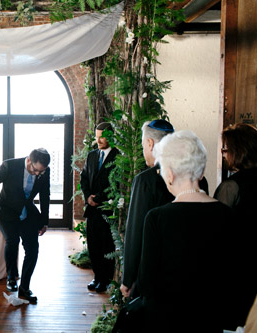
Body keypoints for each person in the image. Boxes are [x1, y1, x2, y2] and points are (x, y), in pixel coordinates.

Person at [138, 130, 233, 333]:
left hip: (167, 320)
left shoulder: (157, 218)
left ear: (169, 174)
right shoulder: (227, 215)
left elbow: (147, 283)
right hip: (213, 320)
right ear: (201, 170)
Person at [120, 119, 209, 299]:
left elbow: (136, 230)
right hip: (198, 271)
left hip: (156, 271)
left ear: (150, 143)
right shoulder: (198, 179)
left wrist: (128, 278)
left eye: (143, 144)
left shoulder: (145, 180)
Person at [0, 148, 51, 303]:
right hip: (6, 210)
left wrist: (44, 221)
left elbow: (44, 195)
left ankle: (24, 287)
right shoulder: (9, 166)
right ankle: (11, 277)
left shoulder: (44, 171)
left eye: (40, 172)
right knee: (13, 240)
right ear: (29, 160)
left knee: (32, 248)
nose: (37, 174)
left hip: (27, 211)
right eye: (35, 170)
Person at [214, 123, 257, 329]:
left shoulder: (231, 186)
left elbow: (216, 229)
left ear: (238, 150)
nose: (224, 154)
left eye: (225, 149)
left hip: (237, 267)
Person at [80, 122, 118, 293]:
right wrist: (88, 196)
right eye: (97, 136)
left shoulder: (118, 157)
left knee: (106, 245)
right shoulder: (92, 155)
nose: (99, 140)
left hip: (107, 209)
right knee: (93, 244)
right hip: (92, 208)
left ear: (110, 136)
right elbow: (84, 178)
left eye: (102, 136)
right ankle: (96, 276)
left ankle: (106, 279)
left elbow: (117, 184)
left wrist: (100, 198)